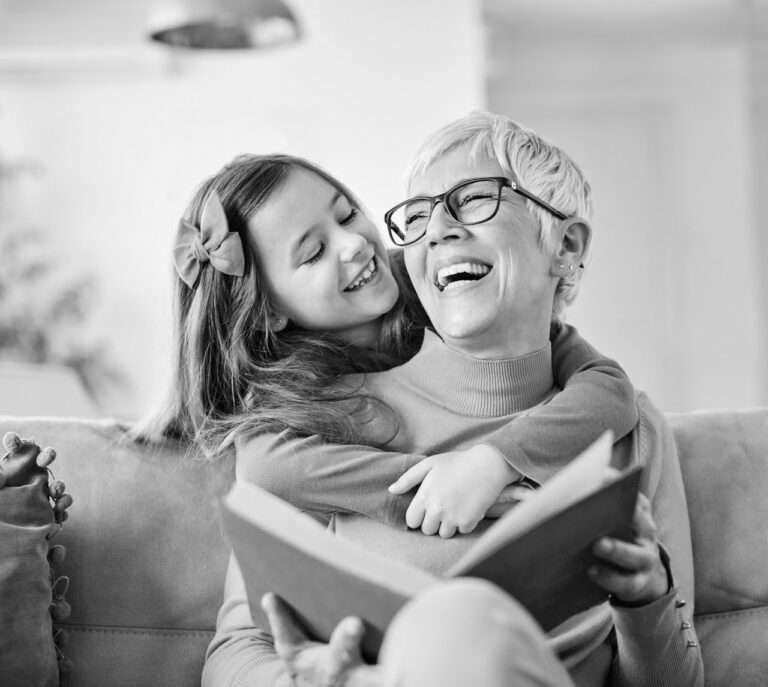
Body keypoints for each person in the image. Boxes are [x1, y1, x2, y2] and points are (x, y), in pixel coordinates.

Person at [200, 113, 703, 686]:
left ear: (566, 245)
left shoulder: (630, 428)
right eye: (416, 216)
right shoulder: (320, 424)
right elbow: (235, 657)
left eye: (472, 200)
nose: (437, 229)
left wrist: (647, 600)